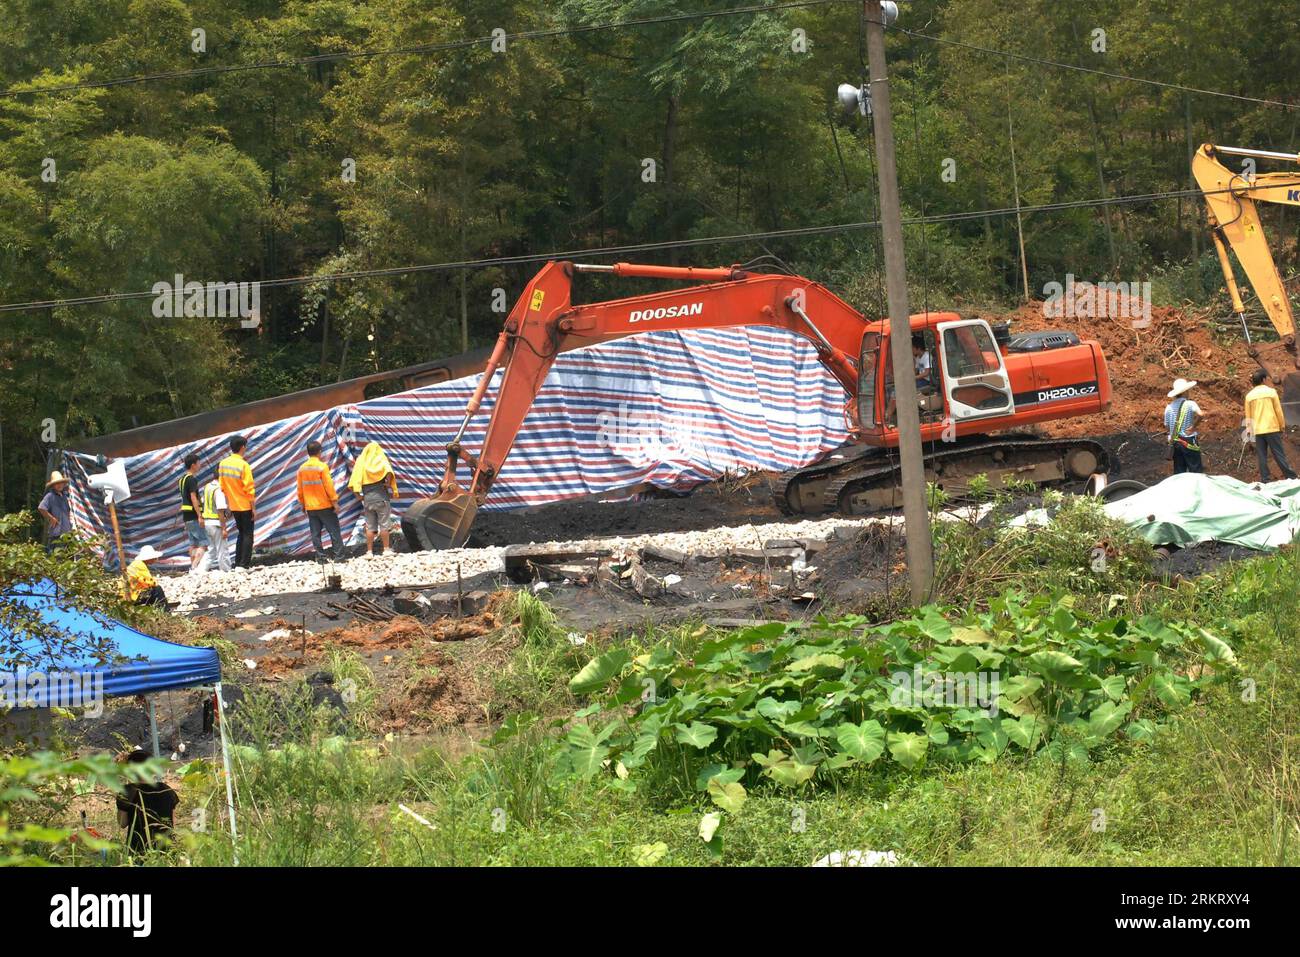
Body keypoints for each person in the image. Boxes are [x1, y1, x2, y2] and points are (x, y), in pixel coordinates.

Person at [115, 748, 179, 855]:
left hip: (137, 852)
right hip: (166, 852)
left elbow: (122, 823)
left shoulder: (127, 791)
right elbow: (172, 824)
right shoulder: (167, 790)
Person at [1243, 368, 1297, 482]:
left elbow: (1248, 416)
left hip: (1258, 430)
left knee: (1262, 456)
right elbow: (1278, 411)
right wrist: (1282, 425)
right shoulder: (1271, 392)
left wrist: (1249, 430)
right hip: (1272, 427)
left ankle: (1265, 479)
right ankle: (1291, 476)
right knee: (1278, 454)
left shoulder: (1249, 396)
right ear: (1263, 379)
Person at [348, 440, 398, 557]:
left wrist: (358, 496)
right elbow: (389, 471)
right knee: (384, 525)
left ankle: (369, 552)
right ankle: (386, 550)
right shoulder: (380, 459)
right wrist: (388, 482)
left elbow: (354, 480)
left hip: (368, 500)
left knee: (370, 527)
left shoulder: (361, 462)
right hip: (381, 499)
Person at [297, 440, 344, 561]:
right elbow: (329, 486)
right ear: (319, 452)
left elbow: (300, 489)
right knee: (334, 531)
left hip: (310, 507)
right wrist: (335, 502)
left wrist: (303, 504)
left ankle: (321, 558)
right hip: (324, 506)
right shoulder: (322, 467)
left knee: (315, 534)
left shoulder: (302, 469)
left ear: (308, 453)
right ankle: (339, 557)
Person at [218, 435, 256, 569]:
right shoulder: (244, 465)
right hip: (245, 505)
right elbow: (249, 488)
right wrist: (253, 508)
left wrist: (228, 504)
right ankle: (244, 564)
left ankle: (238, 562)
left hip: (233, 505)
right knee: (247, 534)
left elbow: (222, 486)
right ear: (242, 447)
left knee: (241, 532)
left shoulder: (223, 464)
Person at [1165, 378, 1205, 474]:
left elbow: (1167, 427)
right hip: (1189, 441)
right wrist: (1193, 427)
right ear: (1185, 392)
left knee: (1179, 472)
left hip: (1176, 443)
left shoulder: (1169, 407)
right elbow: (1201, 414)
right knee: (1195, 471)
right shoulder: (1190, 404)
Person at [178, 452, 206, 572]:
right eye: (198, 463)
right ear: (193, 465)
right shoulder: (191, 479)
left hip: (186, 515)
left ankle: (193, 568)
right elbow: (193, 497)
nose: (200, 465)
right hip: (194, 515)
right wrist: (200, 515)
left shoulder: (182, 480)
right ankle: (194, 567)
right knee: (203, 543)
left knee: (193, 543)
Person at [200, 469, 232, 572]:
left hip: (207, 522)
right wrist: (224, 528)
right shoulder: (218, 490)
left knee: (211, 550)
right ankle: (226, 571)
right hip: (216, 523)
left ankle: (199, 571)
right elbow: (220, 509)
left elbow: (202, 502)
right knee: (222, 549)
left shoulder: (207, 487)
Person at [37, 470, 73, 552]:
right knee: (55, 556)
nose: (59, 485)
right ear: (53, 485)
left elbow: (68, 512)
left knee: (66, 555)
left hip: (67, 531)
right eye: (57, 483)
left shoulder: (64, 497)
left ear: (64, 484)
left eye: (61, 483)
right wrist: (51, 518)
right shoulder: (50, 496)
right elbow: (41, 507)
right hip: (56, 532)